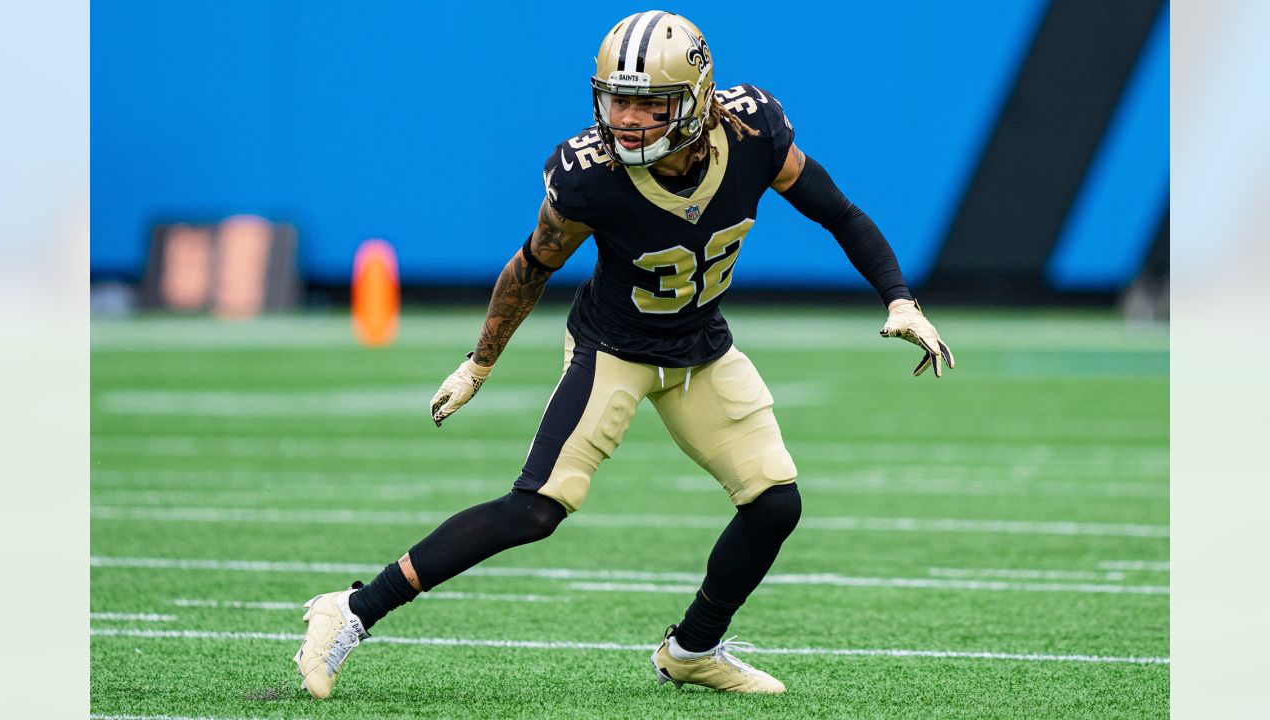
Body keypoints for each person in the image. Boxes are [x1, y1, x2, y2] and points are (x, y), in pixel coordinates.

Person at [294, 9, 953, 699]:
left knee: (774, 504)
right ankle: (352, 610)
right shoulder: (590, 176)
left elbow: (838, 211)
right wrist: (480, 361)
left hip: (700, 346)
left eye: (650, 103)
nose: (629, 120)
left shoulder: (755, 131)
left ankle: (693, 649)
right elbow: (531, 265)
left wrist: (898, 297)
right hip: (614, 348)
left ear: (696, 100)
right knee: (537, 508)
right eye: (618, 99)